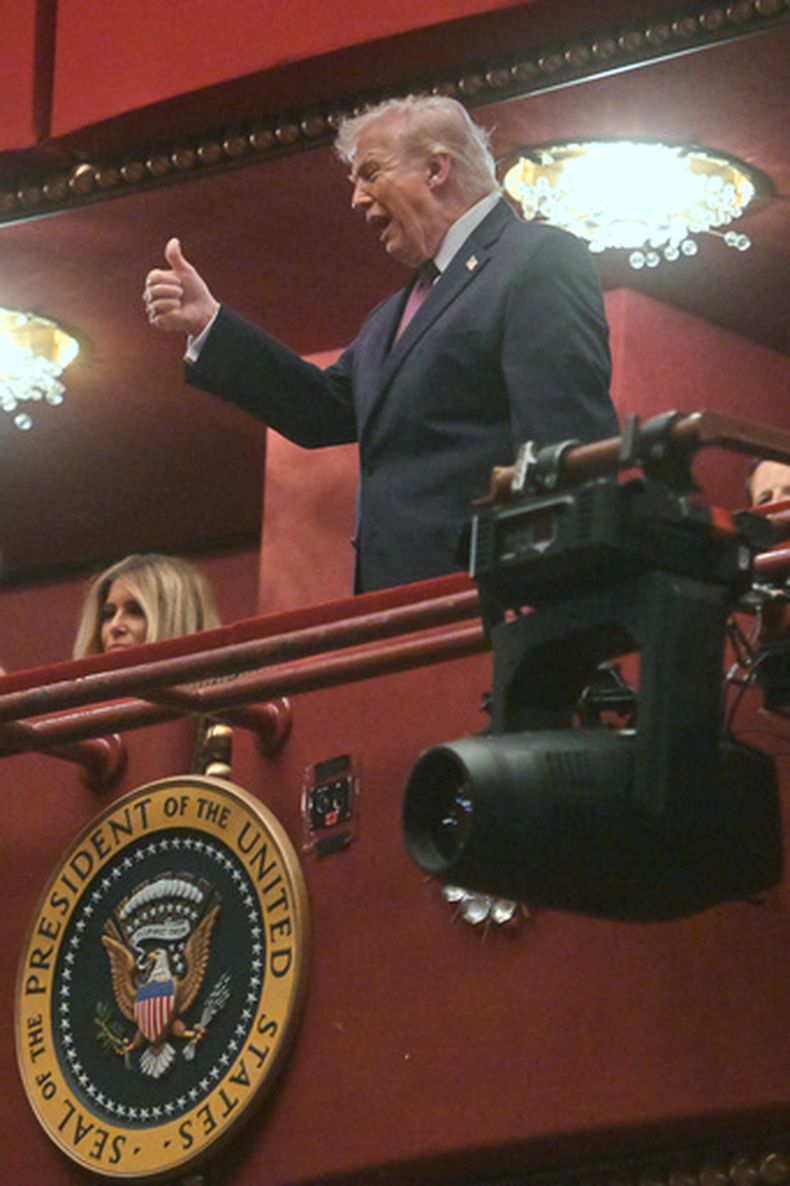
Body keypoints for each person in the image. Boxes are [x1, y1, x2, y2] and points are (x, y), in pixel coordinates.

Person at [143, 94, 619, 593]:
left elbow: (566, 442)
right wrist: (210, 323)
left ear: (436, 169)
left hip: (493, 599)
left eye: (370, 173)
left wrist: (554, 602)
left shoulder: (536, 259)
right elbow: (322, 410)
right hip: (393, 609)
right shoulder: (391, 315)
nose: (356, 198)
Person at [73, 553, 220, 658]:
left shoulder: (226, 695)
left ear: (178, 620)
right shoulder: (80, 699)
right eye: (109, 615)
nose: (114, 626)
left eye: (136, 611)